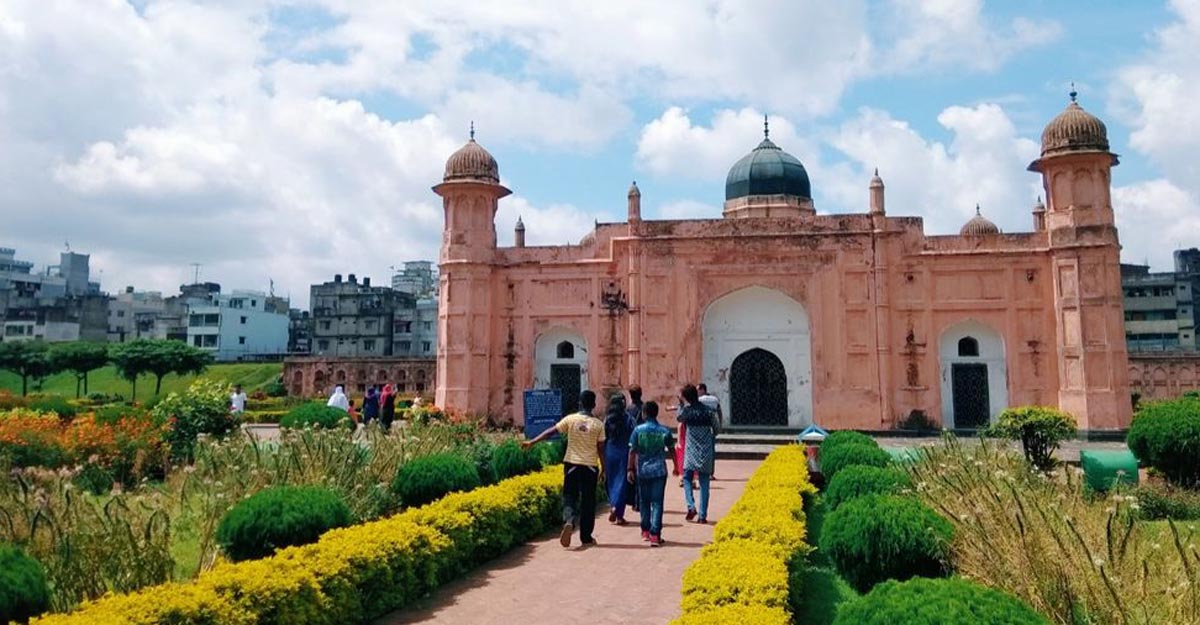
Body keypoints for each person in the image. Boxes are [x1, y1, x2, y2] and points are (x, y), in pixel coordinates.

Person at [523, 390, 605, 548]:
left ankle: (569, 521)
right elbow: (601, 448)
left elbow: (551, 432)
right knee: (588, 502)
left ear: (579, 403)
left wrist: (532, 442)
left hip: (572, 464)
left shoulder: (571, 419)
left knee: (569, 496)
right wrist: (604, 468)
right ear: (594, 405)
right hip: (590, 467)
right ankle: (586, 537)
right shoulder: (598, 424)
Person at [628, 401, 674, 546]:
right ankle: (655, 534)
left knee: (644, 501)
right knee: (657, 502)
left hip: (643, 470)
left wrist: (630, 469)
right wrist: (677, 466)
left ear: (644, 414)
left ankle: (645, 531)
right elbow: (672, 450)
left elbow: (632, 451)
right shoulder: (664, 431)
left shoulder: (638, 431)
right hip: (659, 470)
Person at [677, 384, 717, 524]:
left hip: (691, 450)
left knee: (687, 478)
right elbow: (717, 428)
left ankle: (690, 505)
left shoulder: (687, 412)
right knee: (704, 482)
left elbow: (679, 419)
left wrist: (681, 404)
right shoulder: (709, 411)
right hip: (705, 450)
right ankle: (702, 515)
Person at [603, 393, 635, 525]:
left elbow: (603, 437)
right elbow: (633, 435)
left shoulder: (607, 420)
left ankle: (613, 506)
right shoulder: (628, 419)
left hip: (610, 451)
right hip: (624, 451)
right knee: (622, 482)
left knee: (611, 481)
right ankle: (619, 513)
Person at [626, 385, 645, 512]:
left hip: (631, 442)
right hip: (643, 441)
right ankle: (639, 501)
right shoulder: (644, 408)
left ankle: (633, 501)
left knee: (631, 471)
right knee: (640, 473)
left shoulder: (628, 409)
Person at [697, 383, 722, 479]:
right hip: (711, 429)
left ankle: (702, 471)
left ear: (703, 390)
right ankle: (710, 472)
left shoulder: (699, 400)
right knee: (711, 451)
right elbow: (719, 412)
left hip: (701, 429)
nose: (697, 392)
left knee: (700, 451)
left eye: (698, 390)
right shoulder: (714, 399)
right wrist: (719, 425)